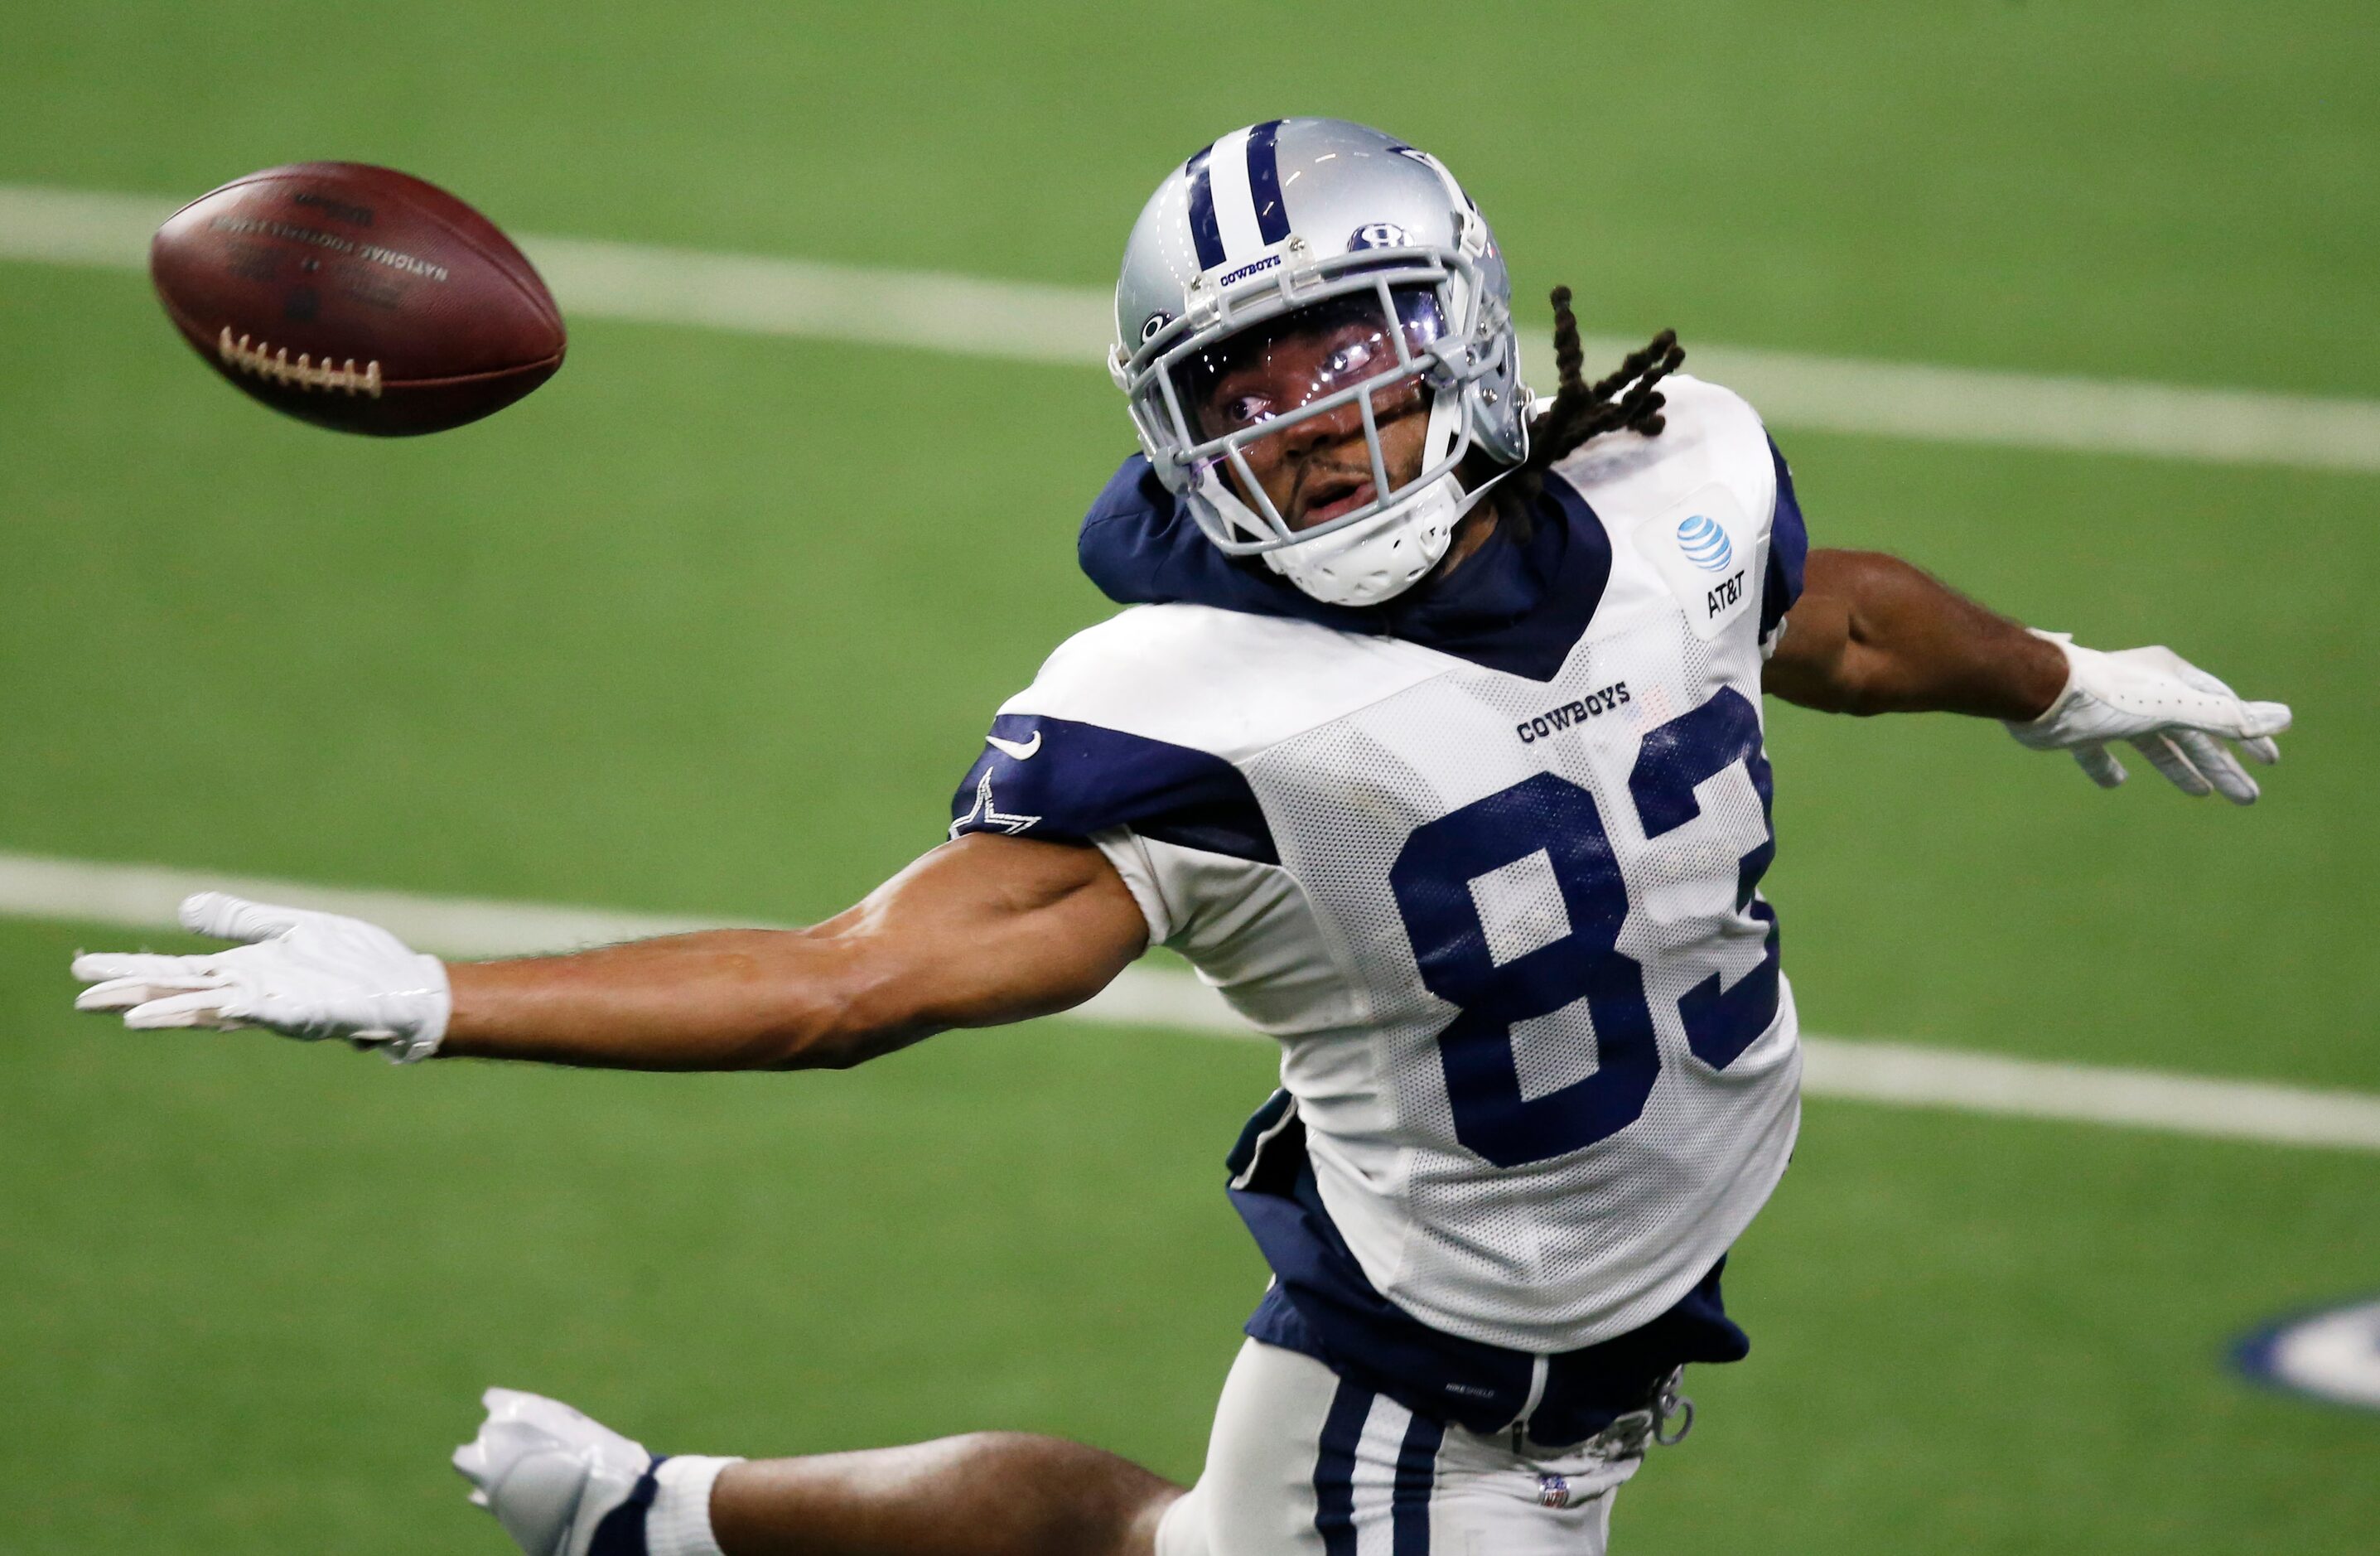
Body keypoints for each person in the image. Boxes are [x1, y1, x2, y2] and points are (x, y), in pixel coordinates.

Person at [70, 118, 2290, 1556]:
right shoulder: (1175, 706)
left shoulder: (1675, 471)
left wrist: (2060, 676)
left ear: (1475, 339)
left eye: (1350, 358)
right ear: (1170, 424)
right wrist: (443, 999)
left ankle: (660, 1523)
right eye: (1246, 390)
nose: (1315, 431)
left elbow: (1832, 618)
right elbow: (855, 983)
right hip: (1459, 1386)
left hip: (1602, 1262)